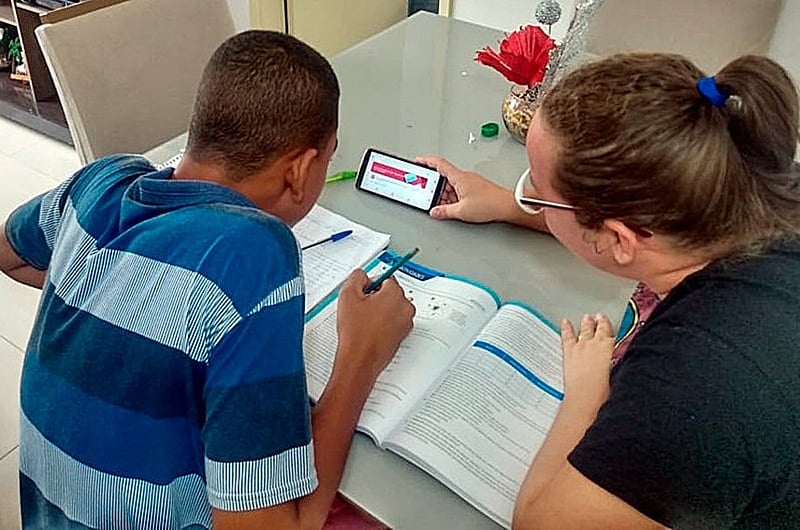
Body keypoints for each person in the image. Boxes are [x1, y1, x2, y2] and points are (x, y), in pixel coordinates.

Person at [0, 30, 414, 529]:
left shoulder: (100, 182)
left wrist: (119, 291)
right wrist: (361, 357)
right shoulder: (255, 256)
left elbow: (10, 254)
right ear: (301, 170)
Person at [421, 53, 800, 528]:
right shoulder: (754, 184)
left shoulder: (692, 389)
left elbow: (539, 524)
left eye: (535, 189)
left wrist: (587, 389)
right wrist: (507, 206)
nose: (526, 197)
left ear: (617, 237)